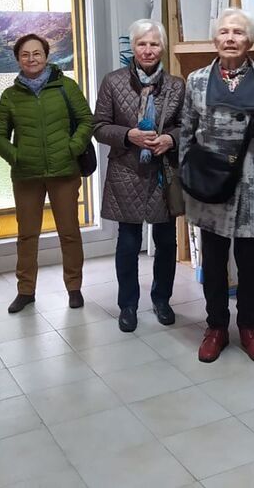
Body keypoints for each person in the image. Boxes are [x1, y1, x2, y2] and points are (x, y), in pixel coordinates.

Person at [181, 8, 254, 364]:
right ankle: (215, 327)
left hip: (252, 187)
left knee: (250, 264)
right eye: (224, 32)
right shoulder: (197, 80)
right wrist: (189, 180)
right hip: (210, 187)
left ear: (249, 41)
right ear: (215, 39)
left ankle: (249, 327)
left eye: (238, 32)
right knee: (213, 263)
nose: (230, 38)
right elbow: (186, 134)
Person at [0, 33, 94, 313]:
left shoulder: (66, 86)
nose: (31, 58)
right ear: (18, 59)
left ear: (47, 56)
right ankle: (25, 291)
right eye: (25, 54)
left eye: (37, 53)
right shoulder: (10, 96)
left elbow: (86, 120)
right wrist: (17, 157)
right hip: (27, 176)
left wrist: (72, 148)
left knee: (69, 233)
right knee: (27, 236)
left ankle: (74, 287)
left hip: (65, 172)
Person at [93, 19, 184, 333]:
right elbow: (99, 126)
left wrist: (170, 139)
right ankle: (128, 305)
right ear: (132, 47)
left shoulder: (176, 85)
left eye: (154, 44)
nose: (148, 50)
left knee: (166, 241)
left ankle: (162, 300)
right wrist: (128, 135)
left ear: (163, 48)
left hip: (163, 174)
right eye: (142, 44)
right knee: (128, 243)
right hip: (126, 172)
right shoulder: (113, 82)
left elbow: (188, 126)